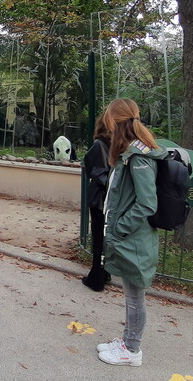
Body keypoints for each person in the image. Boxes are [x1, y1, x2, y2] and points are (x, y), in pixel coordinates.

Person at [96, 98, 165, 367]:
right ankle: (127, 340)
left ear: (115, 121)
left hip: (134, 238)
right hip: (132, 237)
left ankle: (132, 349)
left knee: (135, 297)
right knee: (131, 294)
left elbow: (147, 203)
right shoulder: (132, 152)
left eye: (108, 120)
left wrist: (120, 228)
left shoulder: (138, 157)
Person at [81, 115, 112, 291]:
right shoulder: (117, 144)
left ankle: (96, 276)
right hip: (112, 196)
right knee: (106, 235)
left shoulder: (99, 145)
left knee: (98, 235)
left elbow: (93, 168)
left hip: (100, 196)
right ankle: (104, 272)